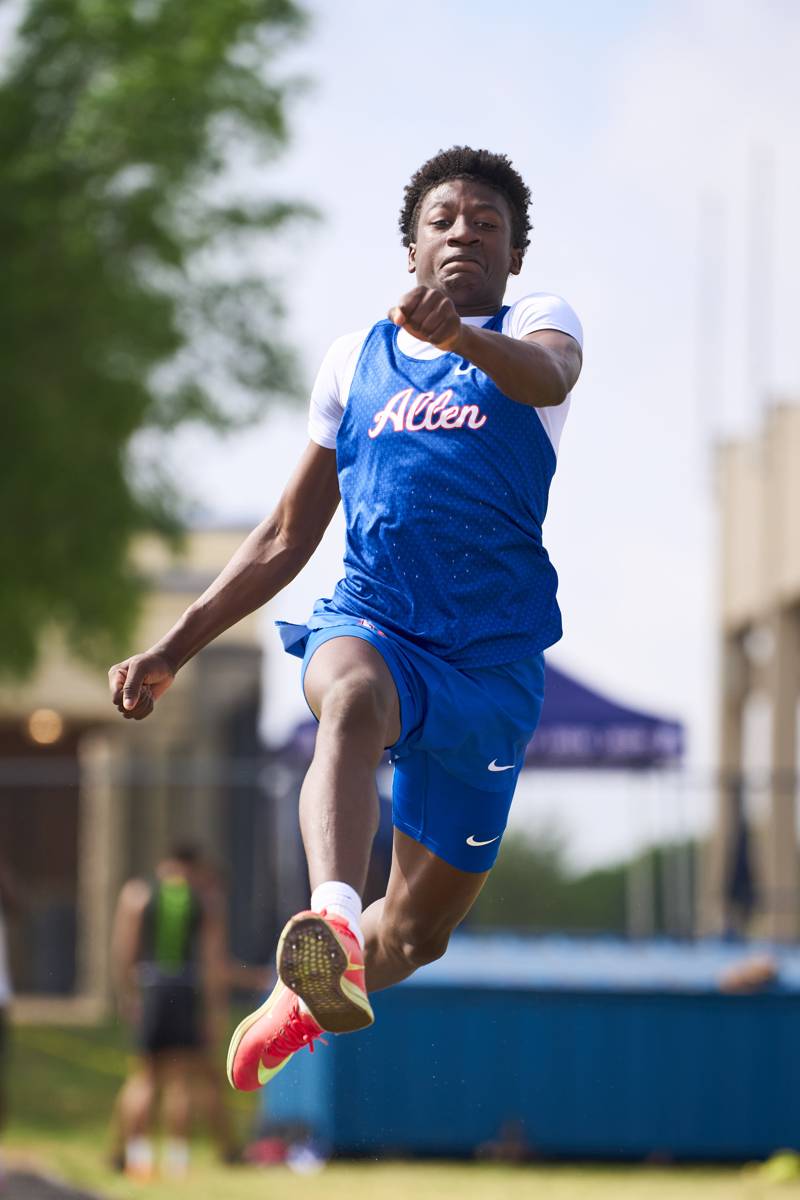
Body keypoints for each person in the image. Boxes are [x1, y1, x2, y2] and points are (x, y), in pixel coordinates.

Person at [108, 145, 583, 1092]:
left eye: (486, 223)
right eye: (442, 220)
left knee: (416, 931)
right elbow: (288, 531)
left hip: (490, 669)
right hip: (377, 622)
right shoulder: (352, 361)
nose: (463, 234)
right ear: (411, 246)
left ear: (513, 253)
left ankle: (307, 995)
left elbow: (548, 378)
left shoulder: (535, 324)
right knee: (350, 694)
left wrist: (461, 339)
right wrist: (174, 646)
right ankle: (325, 913)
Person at [110, 844, 228, 1177]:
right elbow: (212, 960)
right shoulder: (204, 900)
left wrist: (128, 994)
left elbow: (125, 949)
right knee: (180, 1081)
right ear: (193, 866)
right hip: (185, 989)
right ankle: (178, 1160)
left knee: (144, 1078)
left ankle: (138, 1157)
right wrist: (213, 1010)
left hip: (150, 988)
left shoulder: (139, 894)